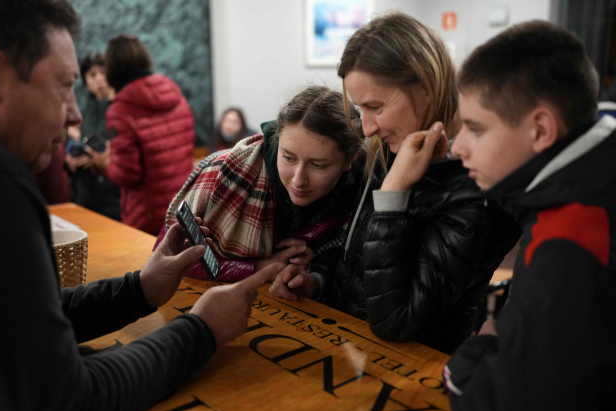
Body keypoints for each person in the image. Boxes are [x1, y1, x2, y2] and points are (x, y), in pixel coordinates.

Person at [0, 1, 282, 411]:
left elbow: (21, 325)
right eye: (64, 87)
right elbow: (65, 403)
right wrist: (201, 331)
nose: (75, 114)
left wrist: (140, 291)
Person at [269, 12, 521, 355]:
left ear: (425, 87)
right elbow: (356, 248)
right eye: (360, 108)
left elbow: (395, 321)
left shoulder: (481, 187)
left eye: (375, 107)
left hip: (412, 370)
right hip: (347, 343)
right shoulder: (392, 144)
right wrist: (318, 281)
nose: (367, 128)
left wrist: (394, 193)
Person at [444, 21, 616, 411]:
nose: (458, 145)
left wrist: (474, 353)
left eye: (475, 128)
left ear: (540, 129)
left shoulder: (570, 240)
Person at [157, 86, 366, 282]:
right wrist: (260, 267)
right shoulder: (224, 172)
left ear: (350, 159)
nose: (298, 179)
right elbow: (165, 258)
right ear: (277, 139)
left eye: (318, 165)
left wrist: (314, 264)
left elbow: (343, 262)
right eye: (288, 158)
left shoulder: (358, 192)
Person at [85, 34, 195, 235]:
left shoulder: (121, 109)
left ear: (112, 68)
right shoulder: (175, 94)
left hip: (148, 217)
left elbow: (128, 174)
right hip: (184, 208)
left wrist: (106, 163)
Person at [65, 53, 121, 220]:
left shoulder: (122, 109)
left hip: (115, 197)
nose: (99, 79)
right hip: (86, 193)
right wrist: (71, 158)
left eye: (103, 73)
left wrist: (101, 159)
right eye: (92, 75)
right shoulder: (83, 111)